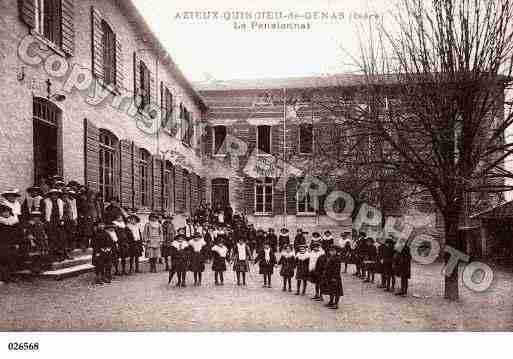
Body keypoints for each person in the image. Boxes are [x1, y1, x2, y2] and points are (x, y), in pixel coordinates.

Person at [43, 188, 67, 261]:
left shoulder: (61, 202)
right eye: (53, 195)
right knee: (52, 238)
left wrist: (63, 218)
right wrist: (45, 221)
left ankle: (60, 255)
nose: (54, 196)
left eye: (56, 195)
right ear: (50, 195)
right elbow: (43, 212)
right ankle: (52, 255)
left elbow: (65, 212)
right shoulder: (46, 202)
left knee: (60, 238)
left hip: (58, 222)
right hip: (50, 221)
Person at [0, 204, 20, 283]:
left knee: (13, 259)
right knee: (3, 260)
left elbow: (18, 234)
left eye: (7, 212)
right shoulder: (1, 222)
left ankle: (13, 276)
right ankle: (4, 277)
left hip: (12, 243)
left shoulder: (14, 222)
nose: (5, 213)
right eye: (3, 212)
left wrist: (17, 242)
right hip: (2, 244)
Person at [62, 188, 78, 256]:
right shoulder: (63, 201)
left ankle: (71, 247)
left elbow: (73, 210)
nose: (72, 196)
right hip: (66, 220)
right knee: (66, 234)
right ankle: (67, 248)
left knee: (72, 234)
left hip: (72, 219)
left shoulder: (72, 201)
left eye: (73, 195)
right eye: (70, 195)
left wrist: (75, 218)